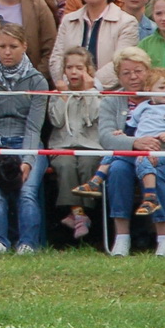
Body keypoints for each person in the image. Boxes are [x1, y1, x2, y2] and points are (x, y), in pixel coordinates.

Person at [0, 23, 50, 253]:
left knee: (27, 193)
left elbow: (34, 128)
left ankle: (28, 244)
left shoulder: (38, 82)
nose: (7, 52)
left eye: (13, 46)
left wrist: (28, 161)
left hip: (26, 142)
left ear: (24, 46)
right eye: (2, 46)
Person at [94, 52, 165, 256]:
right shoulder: (112, 100)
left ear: (148, 71)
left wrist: (154, 147)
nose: (133, 77)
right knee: (117, 169)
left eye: (138, 71)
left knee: (155, 171)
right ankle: (122, 238)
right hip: (126, 158)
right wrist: (135, 143)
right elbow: (106, 136)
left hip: (163, 159)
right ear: (118, 76)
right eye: (126, 73)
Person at [76, 67, 165, 219]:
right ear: (148, 89)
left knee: (144, 161)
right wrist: (125, 136)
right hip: (138, 149)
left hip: (160, 151)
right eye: (162, 88)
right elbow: (131, 127)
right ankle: (95, 181)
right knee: (114, 156)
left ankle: (150, 198)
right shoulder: (143, 107)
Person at [46, 47, 106, 241]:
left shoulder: (97, 93)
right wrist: (63, 97)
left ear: (88, 70)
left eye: (79, 68)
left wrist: (88, 92)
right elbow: (56, 121)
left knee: (88, 164)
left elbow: (95, 116)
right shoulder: (58, 93)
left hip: (90, 145)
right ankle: (79, 214)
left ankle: (82, 214)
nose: (74, 72)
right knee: (66, 164)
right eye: (69, 67)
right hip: (62, 145)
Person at [49, 0, 138, 87]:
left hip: (108, 93)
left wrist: (91, 84)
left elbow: (120, 62)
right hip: (70, 92)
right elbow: (57, 58)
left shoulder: (127, 22)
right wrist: (71, 84)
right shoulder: (68, 20)